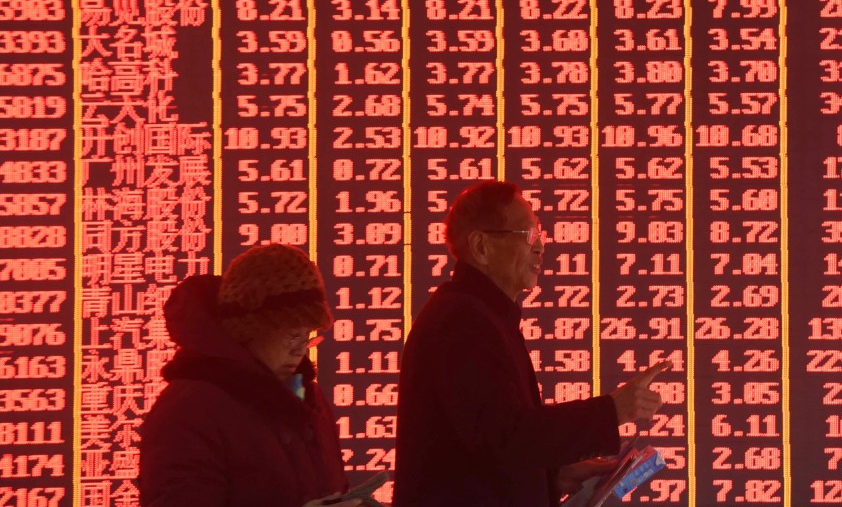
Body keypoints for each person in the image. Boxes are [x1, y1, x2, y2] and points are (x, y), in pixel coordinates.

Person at [393, 181, 670, 507]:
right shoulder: (462, 321)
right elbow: (506, 436)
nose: (540, 248)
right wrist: (611, 411)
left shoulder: (480, 314)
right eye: (529, 236)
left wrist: (551, 475)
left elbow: (486, 446)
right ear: (481, 246)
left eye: (541, 236)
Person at [139, 243, 362, 507]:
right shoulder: (189, 411)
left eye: (308, 336)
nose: (301, 349)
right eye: (292, 335)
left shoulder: (304, 396)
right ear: (252, 329)